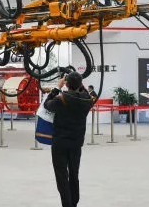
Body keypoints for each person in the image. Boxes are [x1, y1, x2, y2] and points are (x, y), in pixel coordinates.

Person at [44, 72, 93, 207]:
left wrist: (57, 88)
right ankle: (74, 203)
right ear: (80, 84)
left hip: (60, 143)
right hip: (76, 143)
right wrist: (79, 84)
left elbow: (47, 104)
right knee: (74, 174)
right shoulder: (87, 100)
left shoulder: (61, 99)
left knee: (61, 176)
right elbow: (85, 93)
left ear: (66, 84)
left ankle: (67, 204)